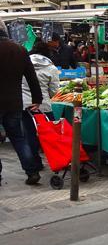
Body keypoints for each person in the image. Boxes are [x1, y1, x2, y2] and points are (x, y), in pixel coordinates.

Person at [0, 20, 43, 185]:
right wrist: (37, 99)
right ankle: (32, 171)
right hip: (14, 102)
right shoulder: (20, 49)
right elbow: (32, 77)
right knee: (18, 138)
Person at [21, 41, 60, 172]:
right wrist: (46, 95)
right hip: (43, 105)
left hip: (25, 105)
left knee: (29, 135)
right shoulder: (51, 68)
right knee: (50, 134)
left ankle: (34, 164)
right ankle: (57, 160)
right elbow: (54, 90)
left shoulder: (24, 63)